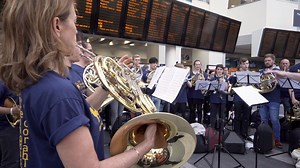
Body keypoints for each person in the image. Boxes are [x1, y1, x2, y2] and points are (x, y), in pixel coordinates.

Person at [0, 1, 157, 167]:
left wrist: (108, 83)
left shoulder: (39, 81)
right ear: (57, 25)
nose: (76, 30)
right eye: (74, 22)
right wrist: (144, 146)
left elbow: (74, 112)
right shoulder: (59, 93)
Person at [259, 53, 282, 148]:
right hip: (262, 98)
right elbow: (258, 84)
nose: (267, 62)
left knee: (274, 120)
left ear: (273, 61)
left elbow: (284, 84)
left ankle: (277, 139)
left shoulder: (278, 71)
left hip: (274, 98)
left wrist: (277, 81)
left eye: (269, 60)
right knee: (263, 120)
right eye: (265, 61)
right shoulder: (262, 71)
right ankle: (264, 138)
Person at [229, 57, 252, 139]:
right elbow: (231, 85)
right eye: (244, 63)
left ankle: (244, 133)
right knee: (237, 116)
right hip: (238, 97)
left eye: (247, 63)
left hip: (248, 97)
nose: (246, 65)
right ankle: (237, 133)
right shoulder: (235, 74)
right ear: (241, 64)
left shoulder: (251, 74)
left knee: (246, 116)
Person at [0, 82, 19, 168]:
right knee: (11, 163)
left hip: (18, 127)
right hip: (7, 128)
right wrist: (11, 111)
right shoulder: (2, 83)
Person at [209, 64, 228, 130]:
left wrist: (223, 83)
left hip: (222, 98)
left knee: (222, 115)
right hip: (214, 98)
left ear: (223, 70)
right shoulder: (212, 78)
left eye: (221, 69)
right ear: (216, 70)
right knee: (213, 115)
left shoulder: (225, 79)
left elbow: (226, 89)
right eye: (218, 69)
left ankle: (221, 130)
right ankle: (212, 130)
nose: (219, 71)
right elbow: (210, 89)